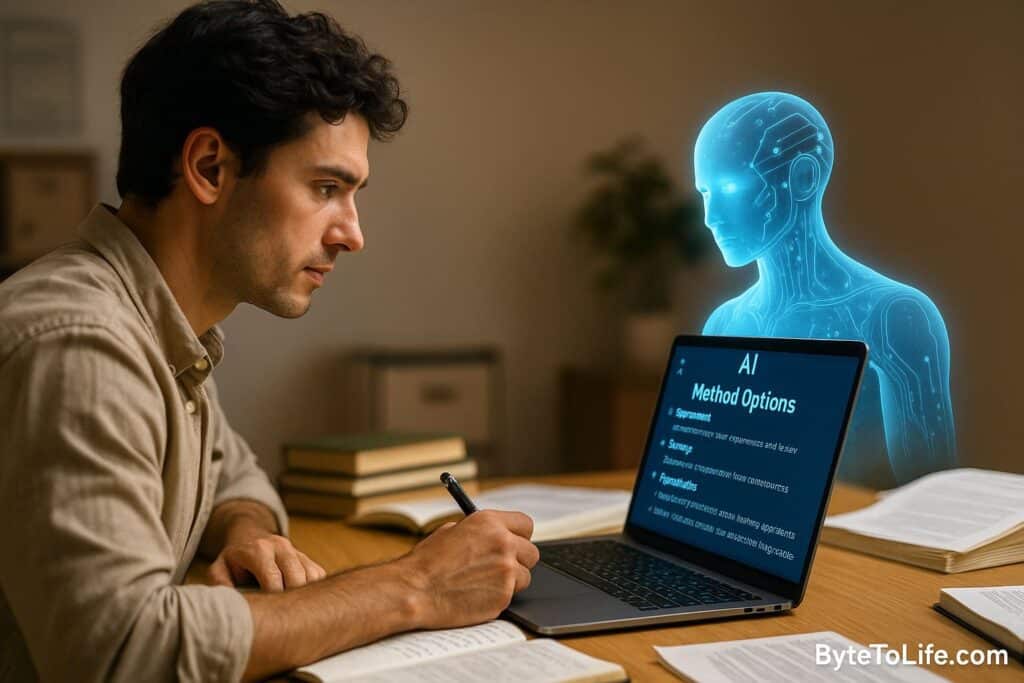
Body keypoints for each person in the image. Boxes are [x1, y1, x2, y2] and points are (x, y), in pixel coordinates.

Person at [0, 2, 538, 681]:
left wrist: (248, 530)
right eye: (325, 187)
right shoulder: (80, 345)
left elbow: (235, 474)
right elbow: (123, 652)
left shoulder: (161, 324)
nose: (352, 233)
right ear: (210, 167)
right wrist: (417, 585)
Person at [693, 91, 956, 488]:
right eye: (705, 193)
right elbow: (713, 483)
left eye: (730, 188)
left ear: (803, 177)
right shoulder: (723, 325)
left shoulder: (894, 315)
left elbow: (933, 507)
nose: (711, 218)